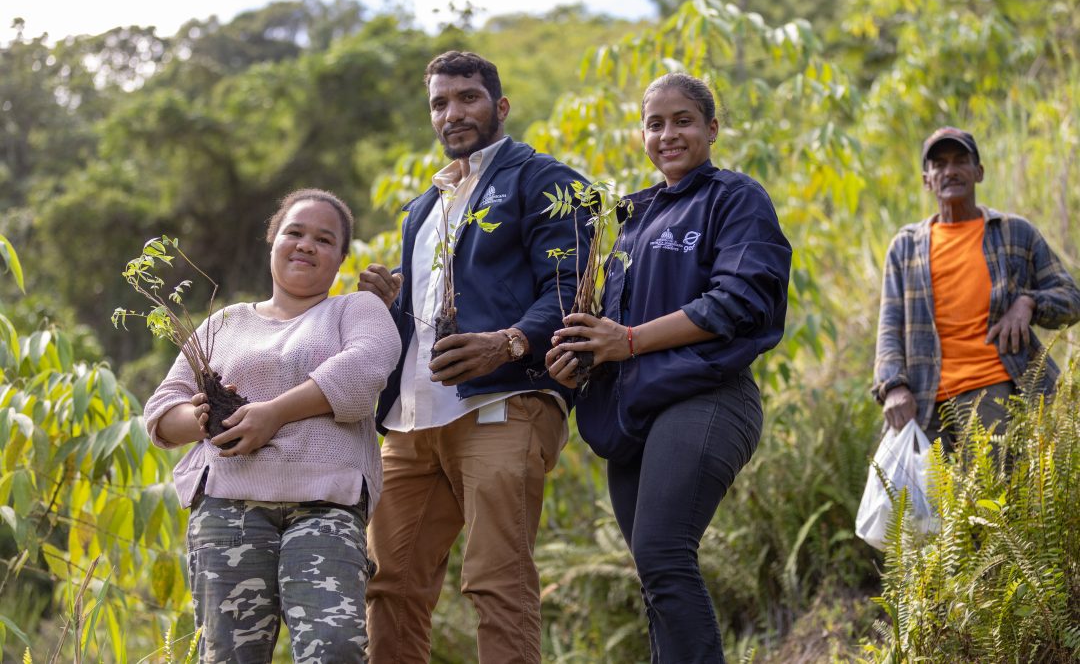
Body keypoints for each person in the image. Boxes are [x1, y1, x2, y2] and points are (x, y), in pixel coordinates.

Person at [545, 73, 791, 663]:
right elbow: (611, 323)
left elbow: (737, 302)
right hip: (632, 416)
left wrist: (626, 340)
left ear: (712, 127)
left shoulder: (734, 198)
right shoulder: (630, 216)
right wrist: (581, 355)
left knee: (663, 553)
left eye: (682, 120)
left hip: (704, 396)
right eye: (655, 123)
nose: (668, 134)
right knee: (656, 575)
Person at [357, 51, 586, 664]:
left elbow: (571, 286)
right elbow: (444, 300)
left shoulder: (546, 181)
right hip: (409, 422)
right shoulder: (424, 207)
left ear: (500, 106)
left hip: (503, 404)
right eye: (440, 103)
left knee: (496, 581)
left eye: (467, 98)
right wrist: (394, 301)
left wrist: (506, 342)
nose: (452, 113)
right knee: (390, 585)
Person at [143, 189, 401, 662]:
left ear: (341, 258)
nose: (306, 245)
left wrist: (272, 414)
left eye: (324, 239)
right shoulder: (226, 322)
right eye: (295, 232)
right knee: (229, 656)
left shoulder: (356, 310)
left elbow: (366, 371)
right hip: (227, 510)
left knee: (337, 649)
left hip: (325, 506)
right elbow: (162, 410)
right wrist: (201, 417)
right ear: (273, 241)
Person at [872, 127, 1080, 449]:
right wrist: (893, 386)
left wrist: (1029, 302)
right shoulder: (905, 248)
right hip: (924, 404)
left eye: (960, 161)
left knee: (992, 499)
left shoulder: (1014, 233)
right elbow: (889, 328)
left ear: (978, 172)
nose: (950, 171)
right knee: (916, 499)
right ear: (927, 179)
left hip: (996, 393)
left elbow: (1071, 299)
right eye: (939, 164)